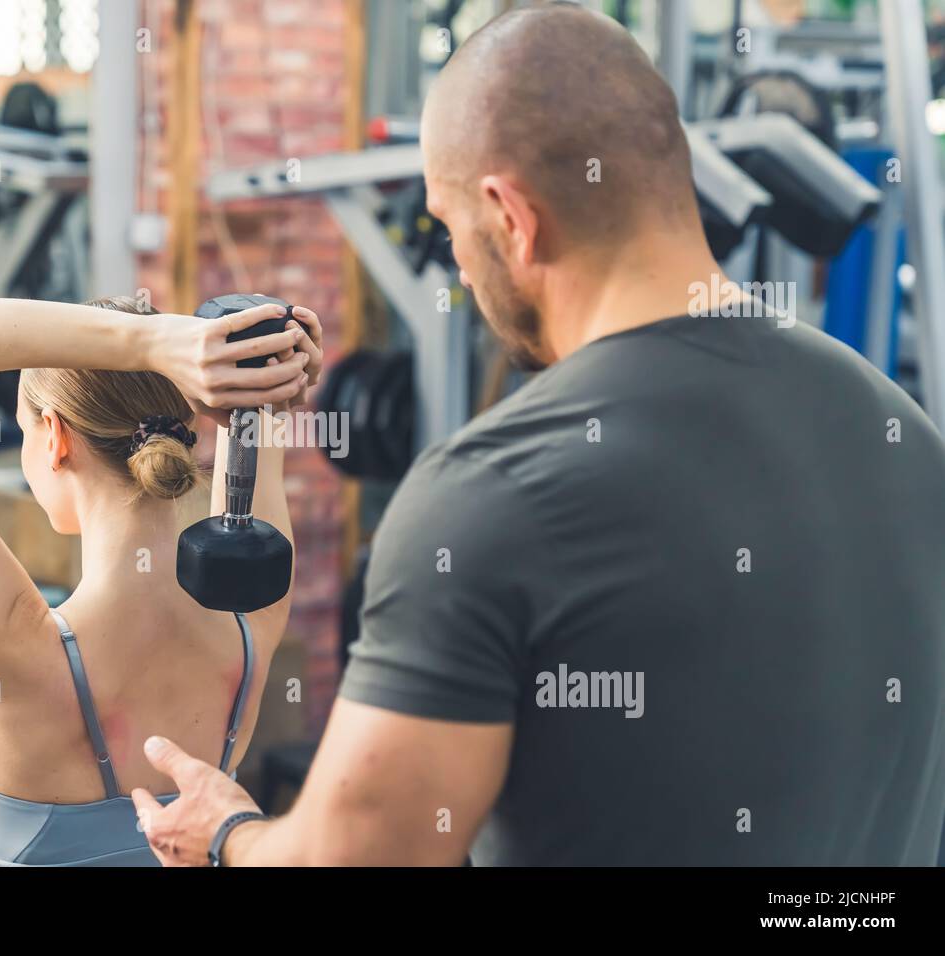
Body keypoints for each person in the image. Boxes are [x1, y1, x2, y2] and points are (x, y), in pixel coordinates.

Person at [130, 4, 945, 866]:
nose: (460, 269)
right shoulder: (903, 429)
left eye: (451, 231)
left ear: (509, 218)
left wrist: (226, 835)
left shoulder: (489, 494)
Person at [0, 294, 322, 865]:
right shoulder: (253, 617)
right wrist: (259, 365)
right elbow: (252, 421)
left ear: (53, 438)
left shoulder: (16, 654)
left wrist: (150, 344)